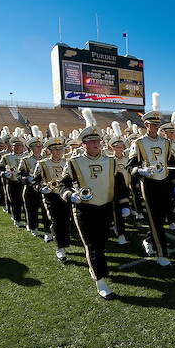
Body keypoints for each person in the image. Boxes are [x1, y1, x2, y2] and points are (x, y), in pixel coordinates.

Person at [59, 109, 130, 299]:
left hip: (105, 207)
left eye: (97, 140)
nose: (95, 144)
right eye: (91, 141)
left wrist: (124, 204)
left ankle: (96, 268)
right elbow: (62, 185)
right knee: (92, 245)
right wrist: (70, 196)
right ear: (83, 144)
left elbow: (121, 185)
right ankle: (101, 281)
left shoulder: (111, 161)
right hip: (84, 209)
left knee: (101, 242)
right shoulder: (74, 162)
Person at [127, 93, 175, 269]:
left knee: (162, 217)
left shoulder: (166, 143)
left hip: (165, 182)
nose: (155, 127)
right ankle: (162, 256)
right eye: (152, 124)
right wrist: (140, 171)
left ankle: (148, 240)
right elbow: (130, 167)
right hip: (149, 184)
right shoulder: (139, 143)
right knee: (156, 221)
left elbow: (171, 164)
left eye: (158, 124)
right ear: (146, 124)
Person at [32, 123, 72, 261]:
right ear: (49, 151)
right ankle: (60, 247)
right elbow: (35, 181)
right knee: (55, 221)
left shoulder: (69, 161)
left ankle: (65, 242)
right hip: (51, 196)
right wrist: (41, 189)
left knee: (66, 220)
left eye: (60, 148)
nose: (59, 151)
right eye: (55, 149)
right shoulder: (42, 163)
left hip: (65, 195)